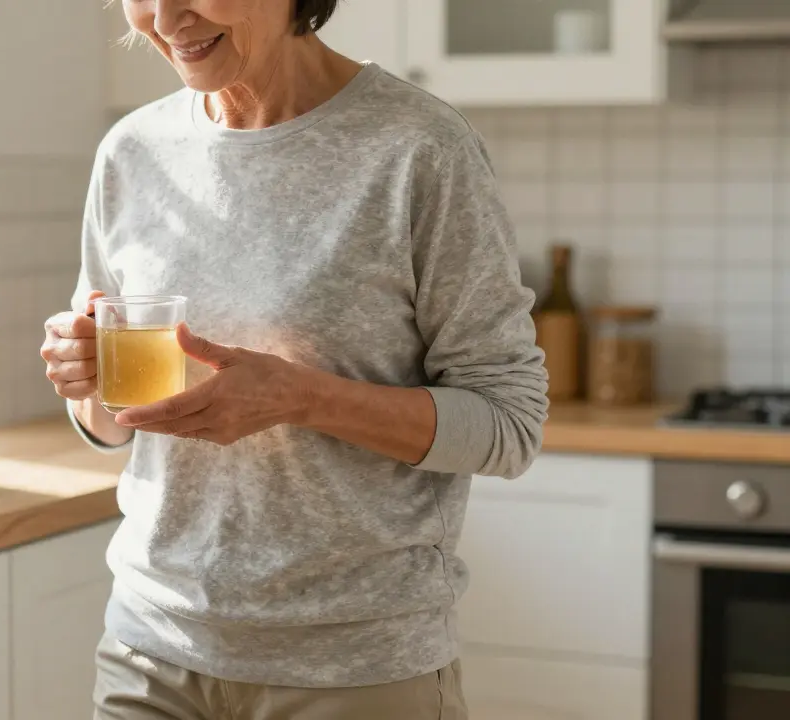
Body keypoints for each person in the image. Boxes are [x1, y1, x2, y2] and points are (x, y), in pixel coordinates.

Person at [39, 1, 549, 717]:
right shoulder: (133, 150)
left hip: (353, 669)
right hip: (150, 649)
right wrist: (85, 376)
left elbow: (509, 425)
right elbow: (113, 423)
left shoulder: (418, 147)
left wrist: (300, 397)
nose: (166, 15)